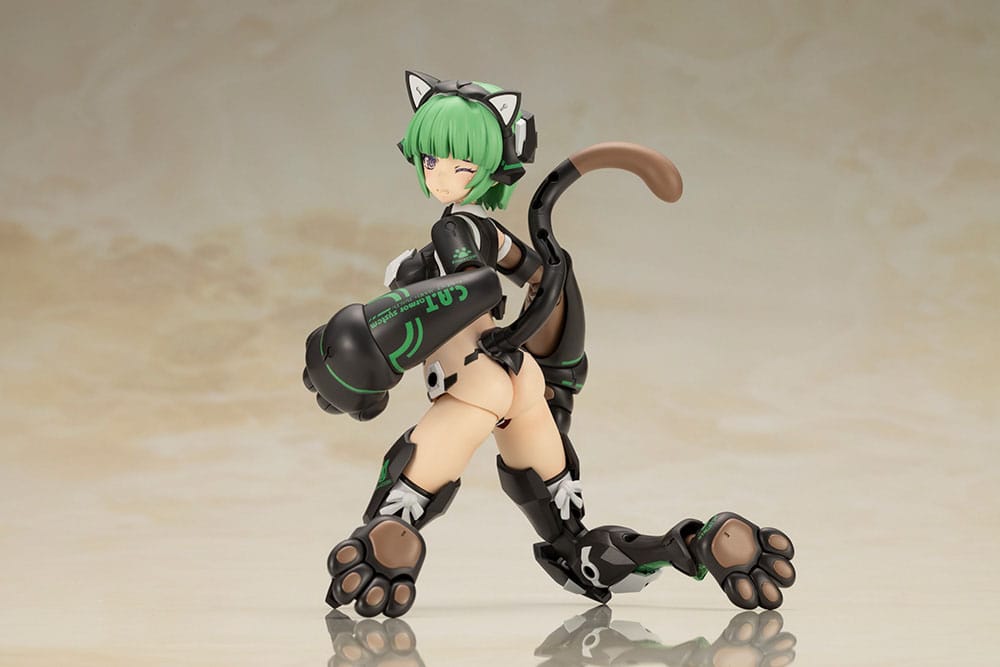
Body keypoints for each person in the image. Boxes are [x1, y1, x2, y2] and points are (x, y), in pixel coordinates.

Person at [303, 71, 796, 618]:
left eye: (460, 164)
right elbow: (543, 277)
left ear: (492, 165)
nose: (440, 174)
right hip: (524, 384)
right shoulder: (492, 234)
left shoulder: (453, 232)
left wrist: (379, 341)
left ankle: (382, 552)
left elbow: (474, 285)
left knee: (402, 508)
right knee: (571, 541)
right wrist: (524, 340)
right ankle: (689, 545)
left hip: (474, 384)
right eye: (431, 160)